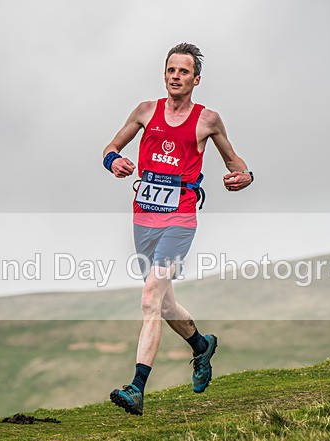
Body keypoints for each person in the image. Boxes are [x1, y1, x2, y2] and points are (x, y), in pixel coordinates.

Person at [102, 43, 253, 415]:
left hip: (180, 219)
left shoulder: (207, 120)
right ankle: (201, 346)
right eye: (171, 69)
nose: (176, 76)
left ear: (195, 79)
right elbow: (110, 147)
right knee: (164, 303)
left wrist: (244, 176)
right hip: (144, 217)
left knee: (150, 296)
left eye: (184, 71)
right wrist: (115, 161)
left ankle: (137, 388)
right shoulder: (144, 111)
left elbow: (235, 161)